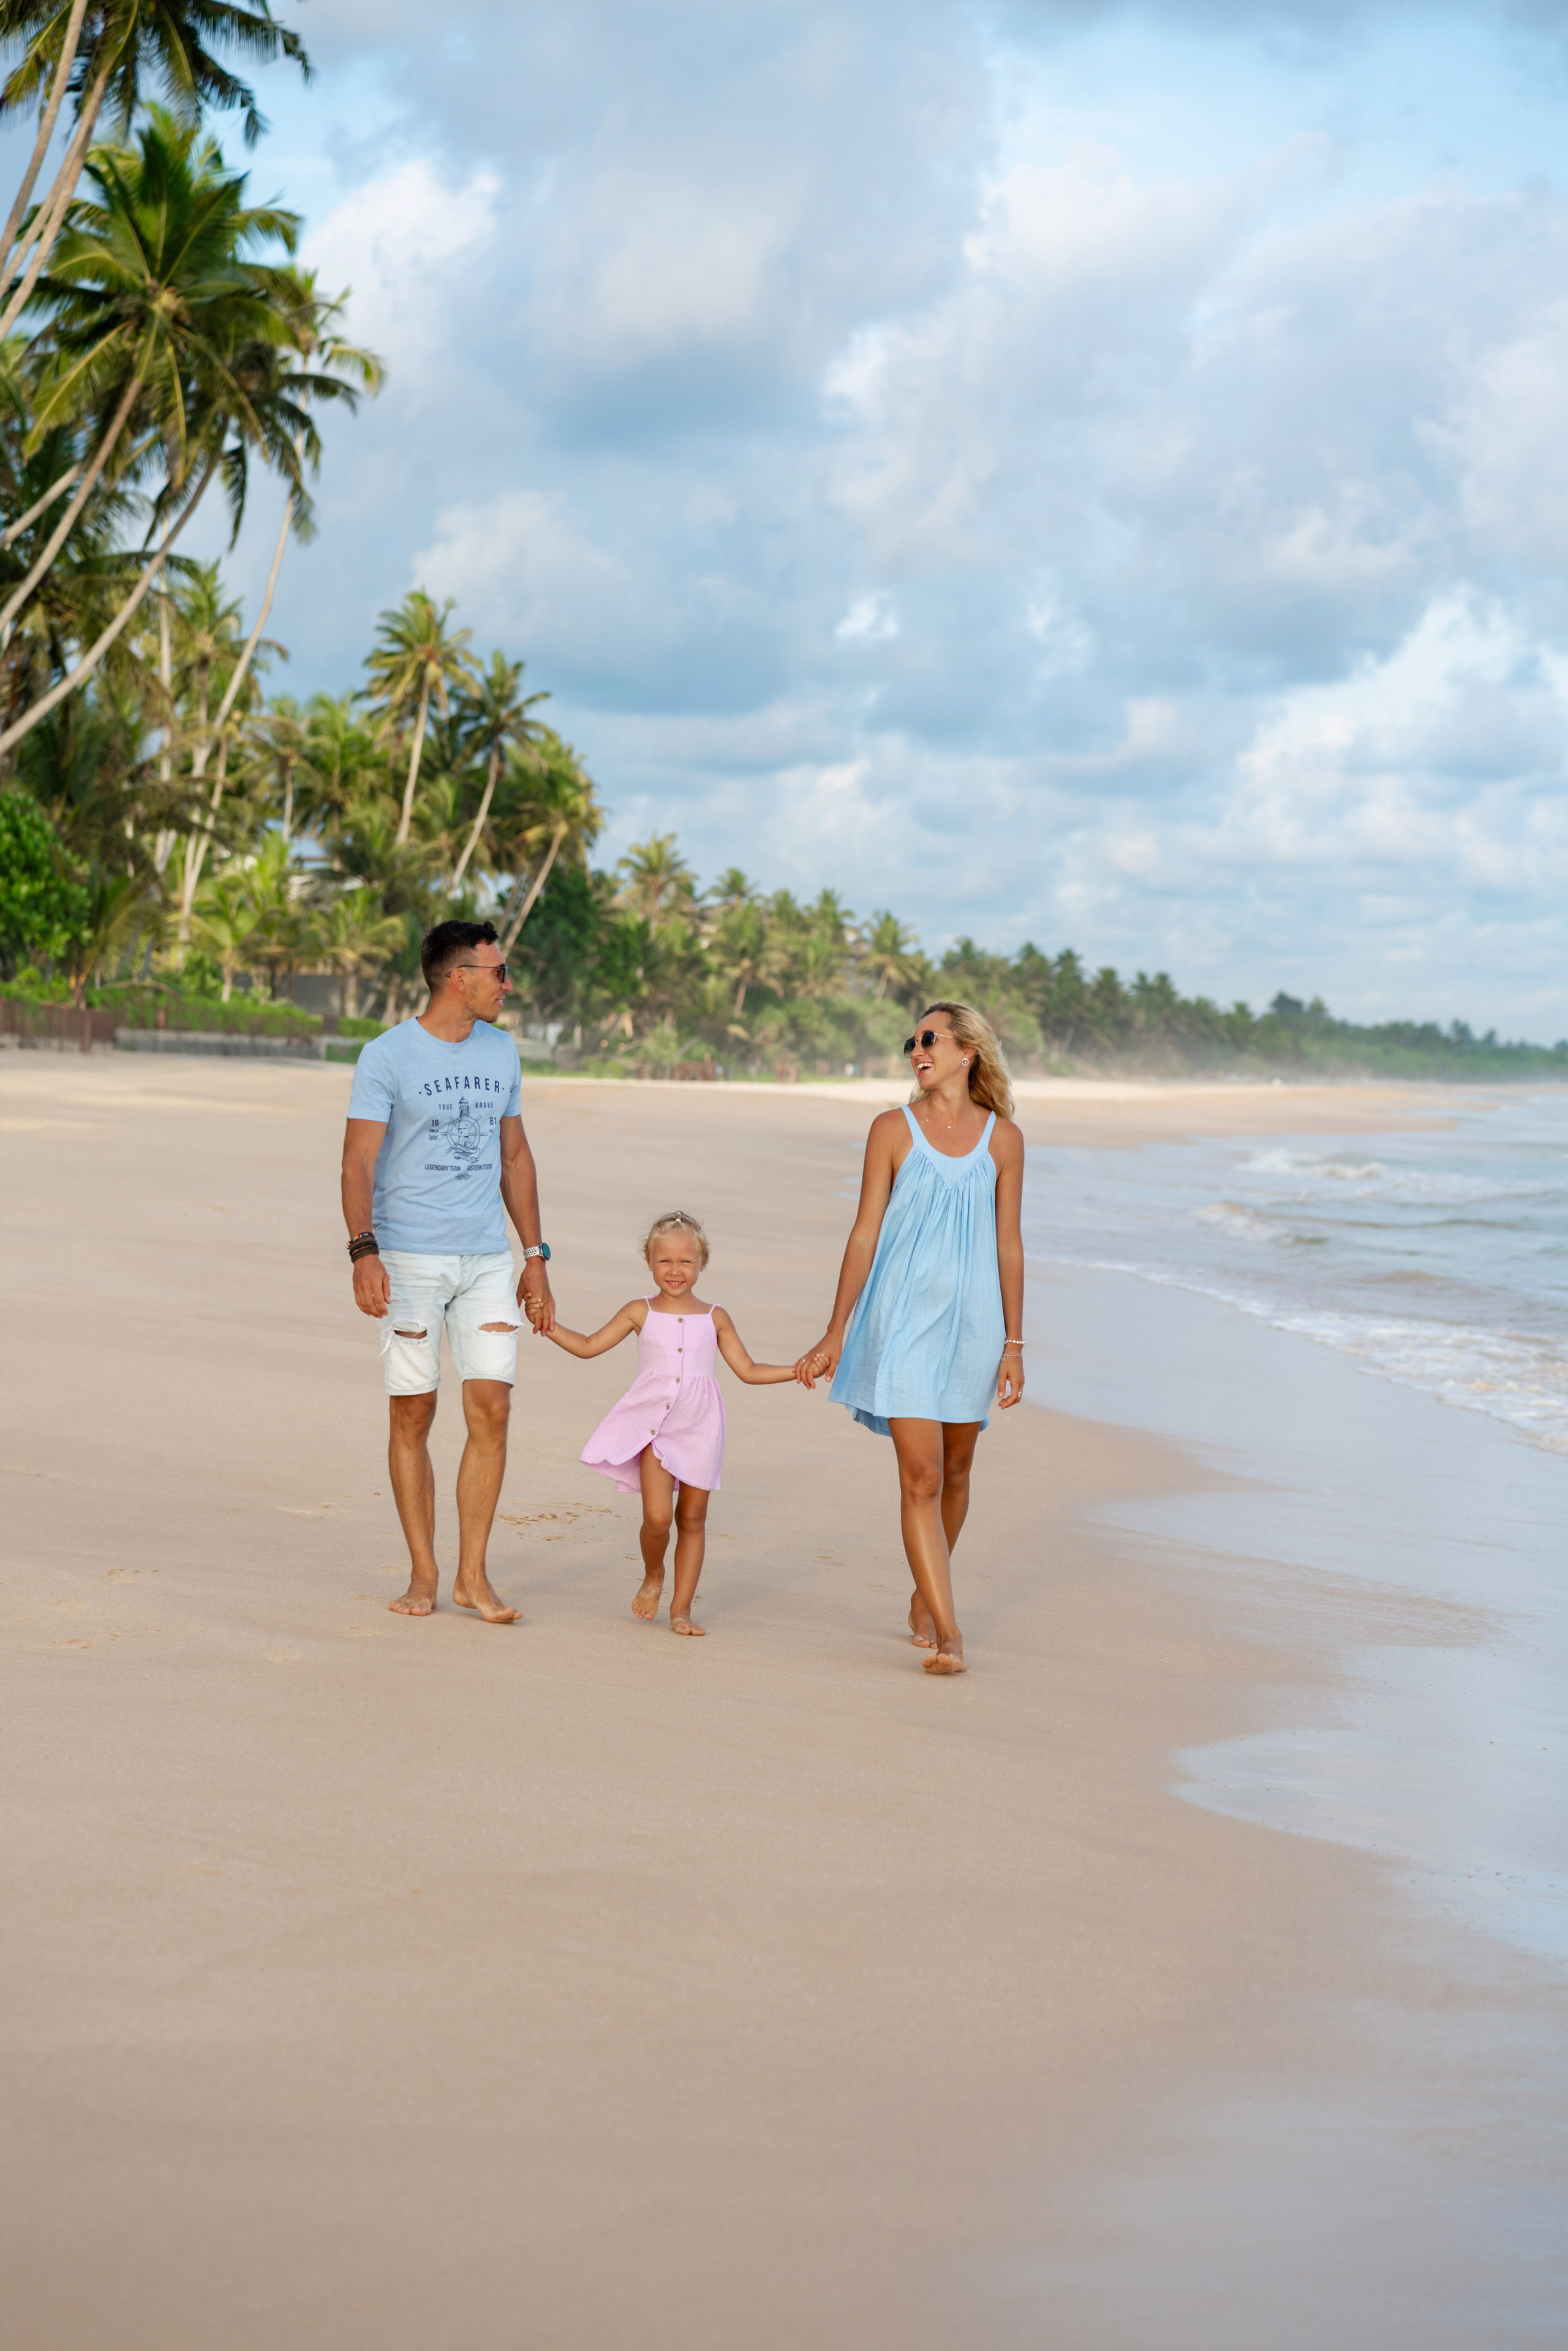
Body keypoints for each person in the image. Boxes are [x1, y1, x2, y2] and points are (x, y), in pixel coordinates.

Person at [796, 1003, 1025, 1675]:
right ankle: (950, 1630)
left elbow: (1008, 1245)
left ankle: (927, 1594)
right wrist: (836, 1328)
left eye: (930, 1039)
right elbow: (864, 1231)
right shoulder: (891, 1130)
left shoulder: (1003, 1140)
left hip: (974, 1325)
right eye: (911, 1041)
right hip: (901, 1323)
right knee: (921, 1475)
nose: (916, 1050)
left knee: (956, 1471)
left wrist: (1014, 1344)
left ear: (967, 1051)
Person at [340, 919, 554, 1624]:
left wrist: (535, 1256)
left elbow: (515, 1157)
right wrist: (363, 1250)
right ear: (456, 977)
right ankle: (424, 1572)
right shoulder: (387, 1056)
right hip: (407, 1257)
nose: (507, 982)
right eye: (498, 971)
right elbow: (358, 1162)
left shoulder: (502, 1051)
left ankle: (472, 1575)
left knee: (491, 1405)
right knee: (416, 1409)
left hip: (487, 1257)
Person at [543, 1210, 796, 1637]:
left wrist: (798, 1369)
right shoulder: (638, 1311)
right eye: (665, 1261)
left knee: (693, 1519)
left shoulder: (716, 1316)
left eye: (685, 1262)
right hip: (654, 1429)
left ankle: (682, 1610)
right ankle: (653, 1573)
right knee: (658, 1518)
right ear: (649, 1261)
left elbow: (748, 1369)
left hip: (701, 1427)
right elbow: (588, 1346)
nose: (675, 1270)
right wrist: (546, 1324)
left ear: (701, 1264)